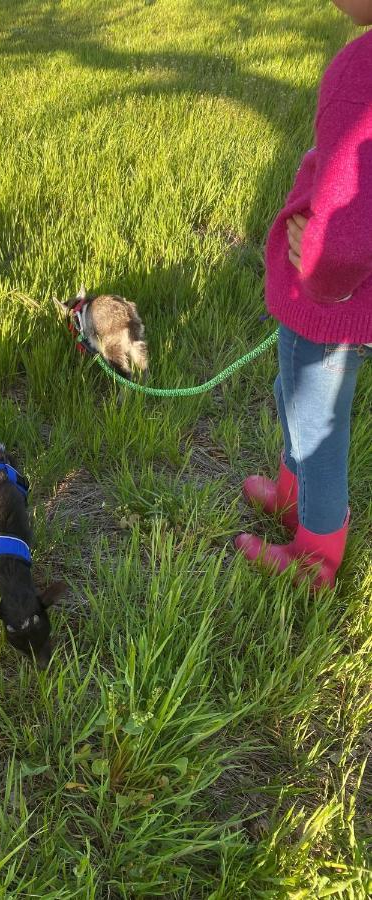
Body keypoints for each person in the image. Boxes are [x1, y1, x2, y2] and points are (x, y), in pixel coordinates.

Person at [236, 0, 372, 589]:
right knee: (292, 391)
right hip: (343, 299)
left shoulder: (358, 71)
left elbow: (349, 221)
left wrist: (318, 272)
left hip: (329, 303)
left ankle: (317, 555)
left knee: (316, 425)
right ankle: (291, 496)